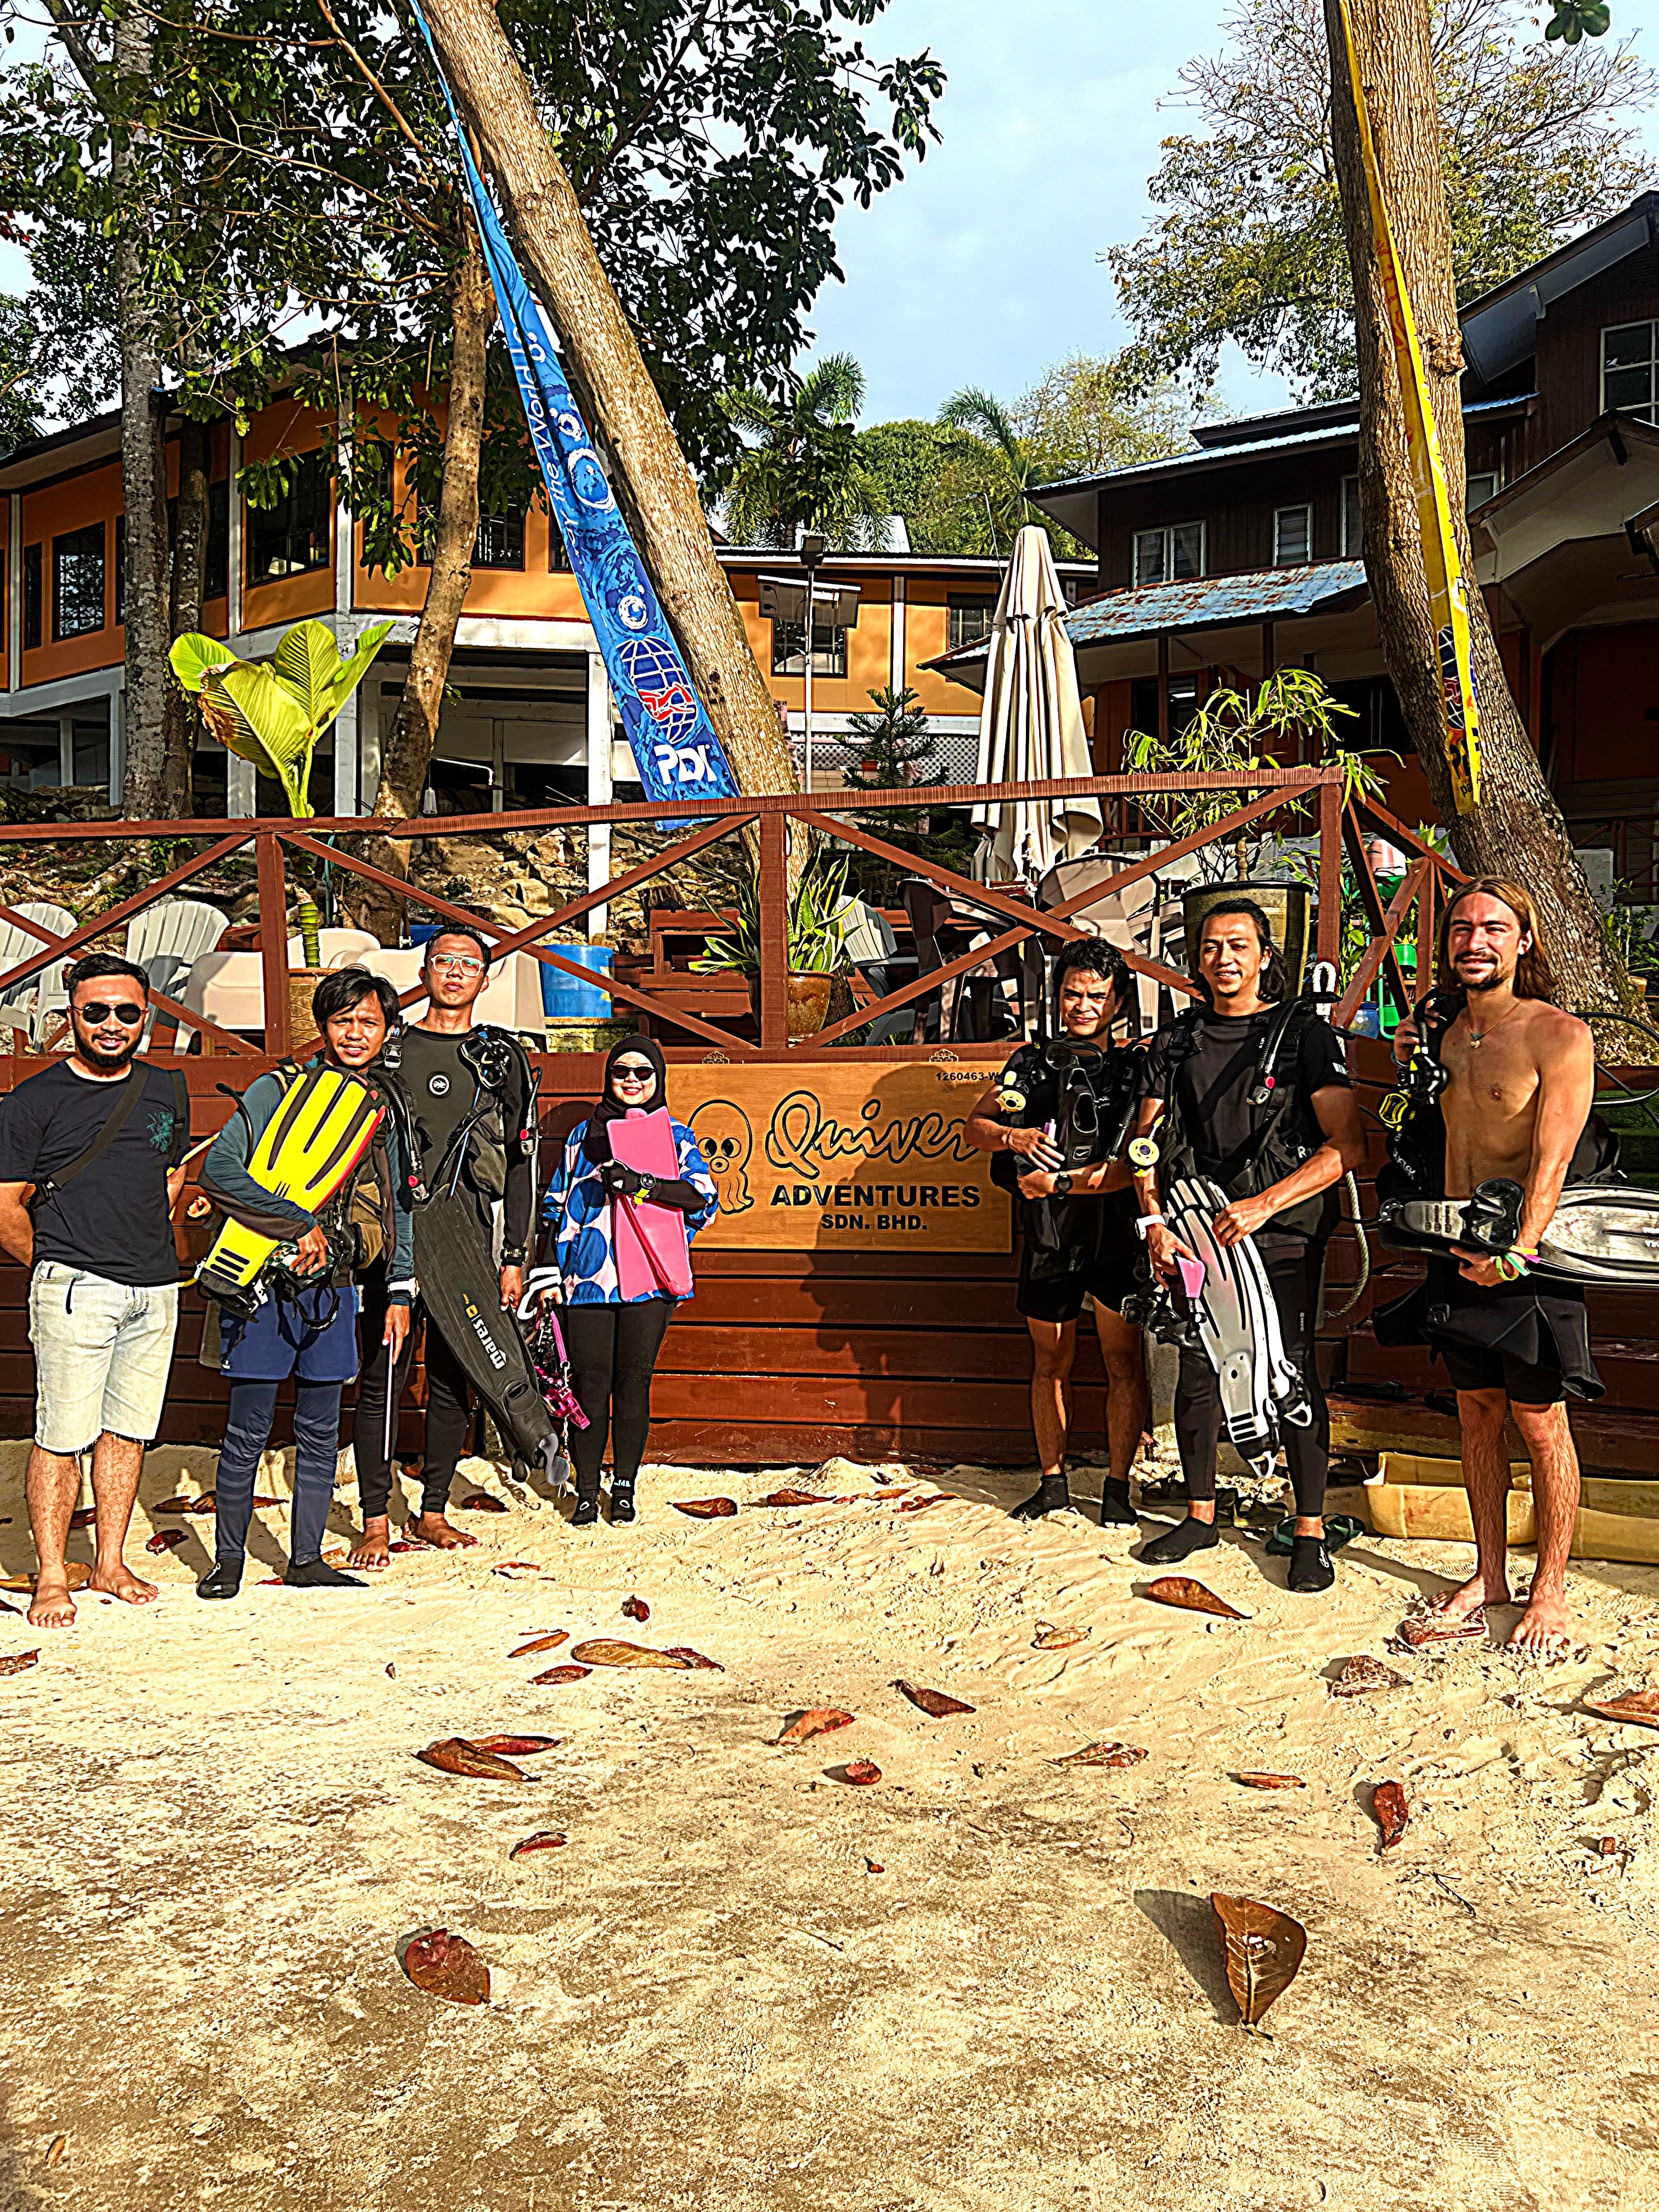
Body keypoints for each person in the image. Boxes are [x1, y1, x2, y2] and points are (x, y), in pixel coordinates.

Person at [1383, 879, 1596, 1660]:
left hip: (1526, 1255)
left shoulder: (1559, 1035)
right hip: (1453, 1244)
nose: (1476, 941)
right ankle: (1490, 1575)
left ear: (1524, 942)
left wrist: (1520, 1251)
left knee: (1542, 1424)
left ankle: (1550, 1589)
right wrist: (1408, 1047)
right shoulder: (1442, 1030)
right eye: (1462, 928)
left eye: (1494, 929)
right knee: (1475, 1415)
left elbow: (1554, 1156)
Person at [1130, 899, 1364, 1593]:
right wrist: (1152, 1220)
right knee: (1200, 1365)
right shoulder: (1174, 1042)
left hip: (1282, 1228)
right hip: (1195, 1227)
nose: (1223, 959)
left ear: (1265, 955)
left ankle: (1310, 1530)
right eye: (1209, 947)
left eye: (1239, 945)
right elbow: (1144, 1143)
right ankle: (1201, 1513)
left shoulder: (1305, 1038)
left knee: (1290, 1368)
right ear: (1195, 959)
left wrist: (1264, 1206)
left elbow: (1347, 1145)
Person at [196, 967, 414, 1596]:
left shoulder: (384, 1107)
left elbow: (400, 1206)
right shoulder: (279, 1088)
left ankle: (307, 1559)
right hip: (261, 1282)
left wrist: (398, 1288)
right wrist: (297, 1225)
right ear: (323, 1026)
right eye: (342, 1021)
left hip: (337, 1287)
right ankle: (229, 1563)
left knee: (322, 1432)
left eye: (368, 1022)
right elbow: (220, 1169)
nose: (354, 1033)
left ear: (386, 1030)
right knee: (248, 1430)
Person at [0, 955, 190, 1629]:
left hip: (155, 1289)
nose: (113, 1024)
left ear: (147, 1015)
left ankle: (109, 1560)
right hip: (76, 1287)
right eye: (96, 1011)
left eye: (128, 1012)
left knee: (129, 1433)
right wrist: (56, 1263)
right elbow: (5, 1206)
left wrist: (148, 1247)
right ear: (71, 1015)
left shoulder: (168, 1087)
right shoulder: (32, 1102)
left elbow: (168, 1177)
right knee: (60, 1436)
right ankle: (52, 1575)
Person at [349, 926, 537, 1568]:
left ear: (485, 981)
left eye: (468, 965)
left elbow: (519, 1163)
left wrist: (515, 1255)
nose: (454, 973)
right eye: (442, 962)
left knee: (457, 1372)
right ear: (424, 971)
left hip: (469, 1232)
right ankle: (376, 1520)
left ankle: (431, 1510)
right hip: (394, 1232)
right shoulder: (388, 1048)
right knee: (385, 1372)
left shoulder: (500, 1058)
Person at [965, 938, 1148, 1525]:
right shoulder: (1031, 1061)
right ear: (1057, 995)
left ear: (1117, 1002)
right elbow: (976, 1124)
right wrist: (1013, 1139)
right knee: (1051, 1361)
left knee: (1122, 1360)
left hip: (1116, 1235)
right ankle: (1052, 1481)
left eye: (1096, 995)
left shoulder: (1135, 1069)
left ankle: (1118, 1486)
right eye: (1073, 993)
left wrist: (1060, 1185)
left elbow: (1139, 1165)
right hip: (1047, 1237)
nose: (1083, 1005)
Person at [541, 1036, 716, 1525]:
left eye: (644, 1072)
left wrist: (645, 1185)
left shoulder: (675, 1135)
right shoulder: (582, 1137)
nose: (633, 1080)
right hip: (587, 1278)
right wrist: (549, 1271)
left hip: (650, 1278)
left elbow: (703, 1198)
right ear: (608, 1077)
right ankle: (587, 1488)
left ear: (659, 1078)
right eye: (622, 1072)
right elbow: (555, 1205)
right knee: (589, 1385)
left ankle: (624, 1487)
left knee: (634, 1382)